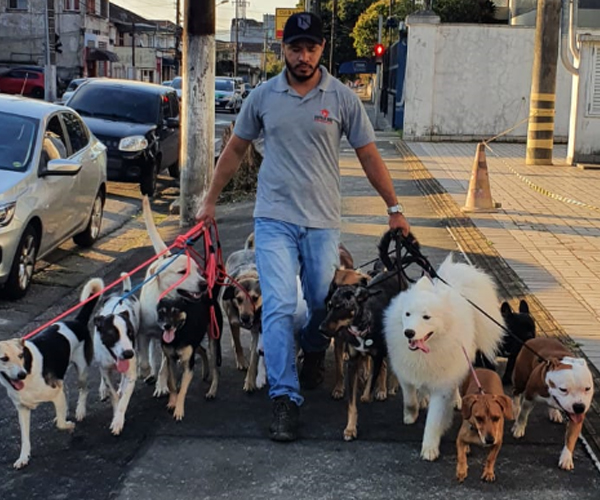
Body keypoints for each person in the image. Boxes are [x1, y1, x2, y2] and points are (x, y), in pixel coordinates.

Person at [196, 12, 410, 442]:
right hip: (273, 219)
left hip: (322, 222)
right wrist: (210, 200)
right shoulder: (262, 97)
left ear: (321, 50)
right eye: (296, 48)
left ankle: (313, 350)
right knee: (275, 306)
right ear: (284, 50)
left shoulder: (343, 99)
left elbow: (369, 154)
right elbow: (236, 149)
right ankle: (284, 397)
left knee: (317, 301)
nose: (304, 56)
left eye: (311, 48)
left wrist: (395, 207)